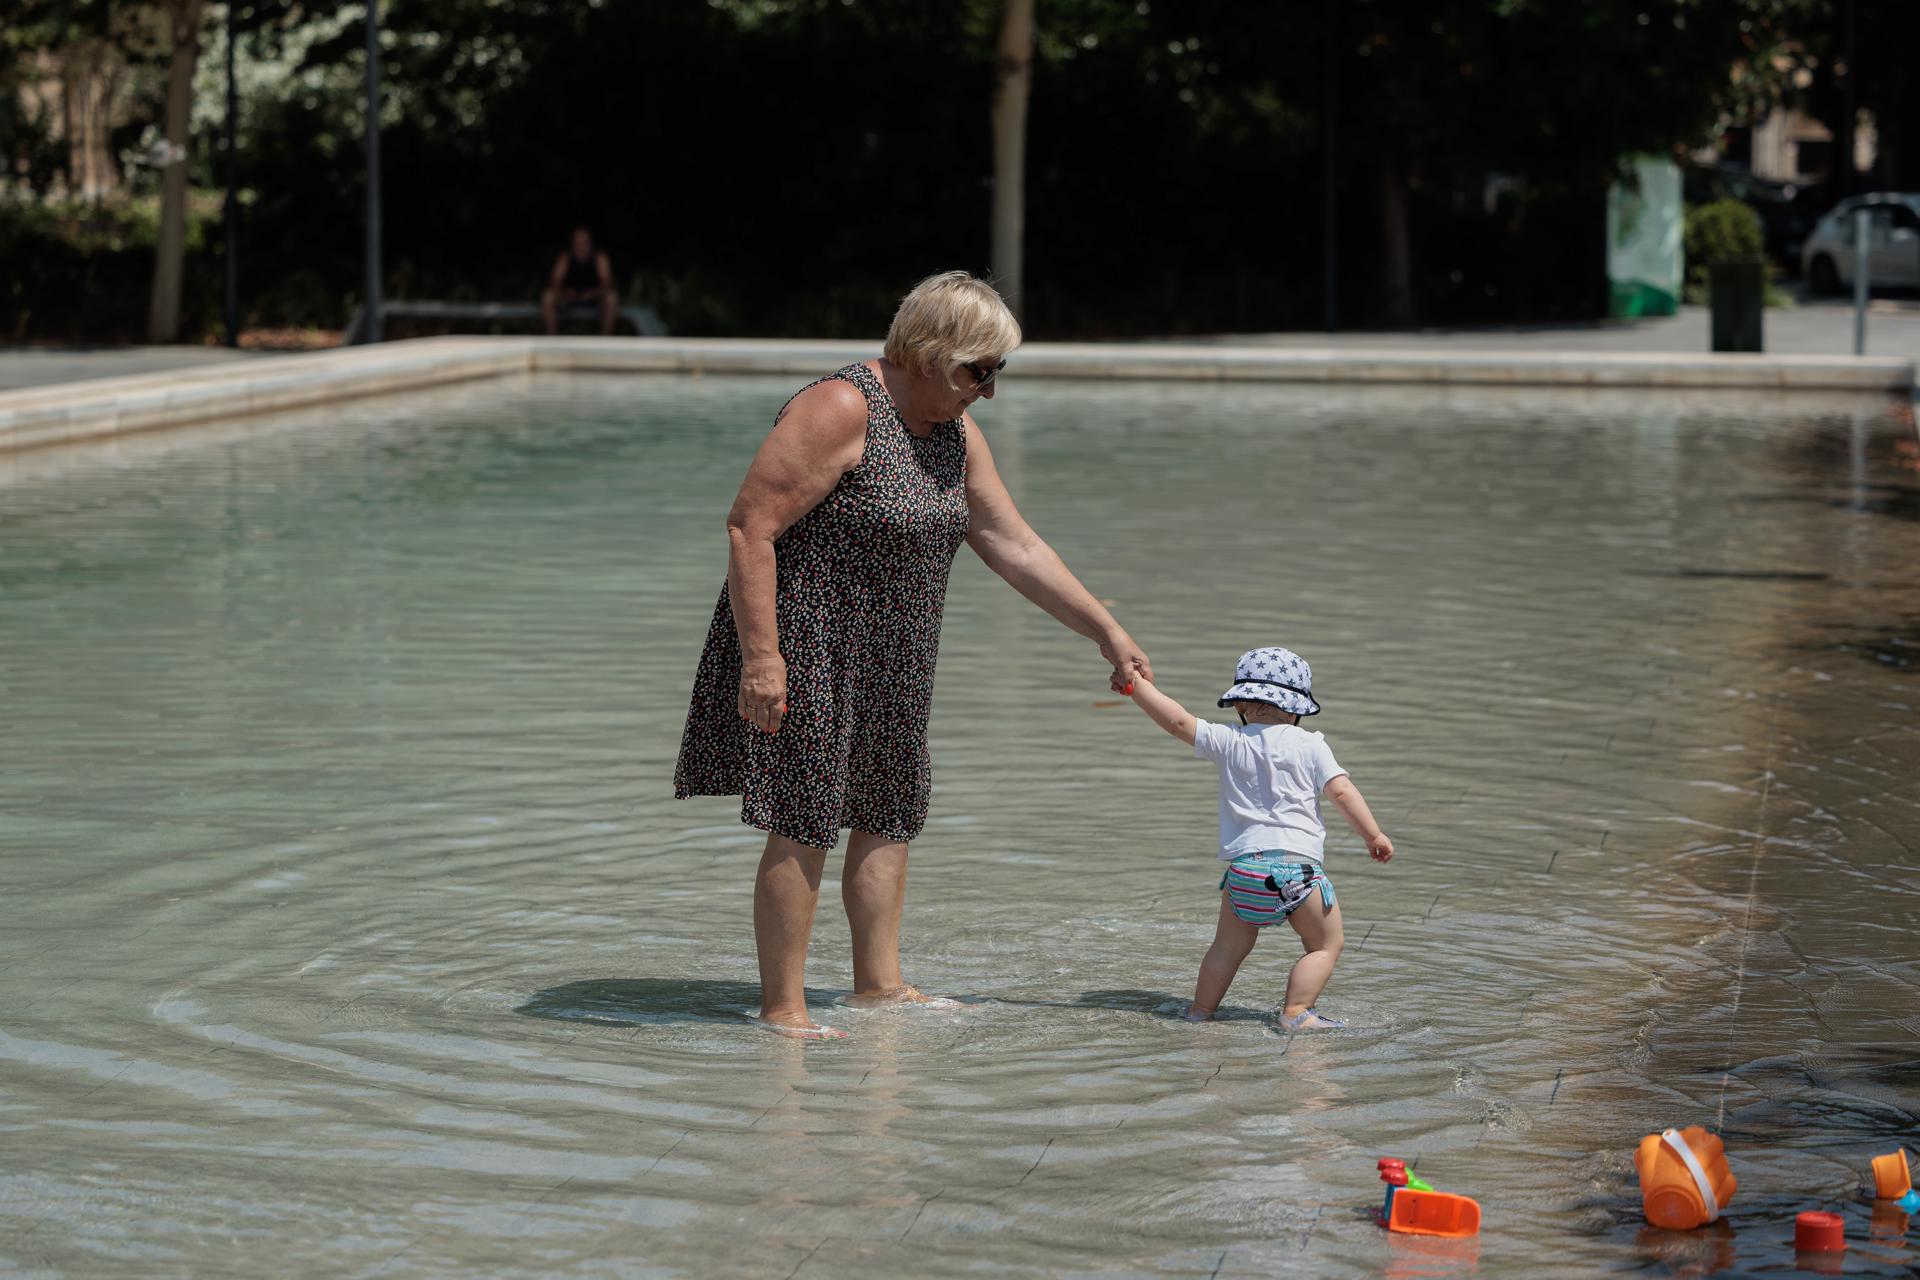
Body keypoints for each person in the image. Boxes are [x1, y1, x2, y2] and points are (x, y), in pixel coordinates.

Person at [673, 270, 1153, 1039]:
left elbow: (1012, 542)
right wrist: (763, 658)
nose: (988, 391)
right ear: (932, 352)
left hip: (898, 652)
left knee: (891, 810)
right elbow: (748, 526)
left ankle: (880, 987)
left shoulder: (954, 433)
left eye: (998, 374)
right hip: (811, 644)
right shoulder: (840, 407)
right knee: (805, 816)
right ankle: (783, 1009)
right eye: (980, 371)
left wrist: (1105, 628)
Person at [1124, 646, 1394, 1031]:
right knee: (1324, 946)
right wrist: (1373, 835)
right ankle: (1296, 1012)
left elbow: (1178, 722)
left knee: (1227, 949)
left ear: (1241, 705)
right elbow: (1342, 792)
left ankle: (1200, 1012)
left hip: (1244, 874)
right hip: (1299, 873)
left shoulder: (1230, 740)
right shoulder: (1311, 744)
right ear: (1297, 707)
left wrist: (1136, 685)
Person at [541, 227, 617, 335]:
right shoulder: (566, 257)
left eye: (584, 240)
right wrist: (565, 292)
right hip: (568, 297)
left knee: (611, 297)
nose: (581, 243)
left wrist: (594, 293)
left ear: (590, 241)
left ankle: (605, 337)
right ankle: (552, 336)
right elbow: (555, 280)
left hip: (594, 298)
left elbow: (607, 282)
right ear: (573, 241)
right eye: (578, 240)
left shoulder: (599, 257)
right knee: (548, 297)